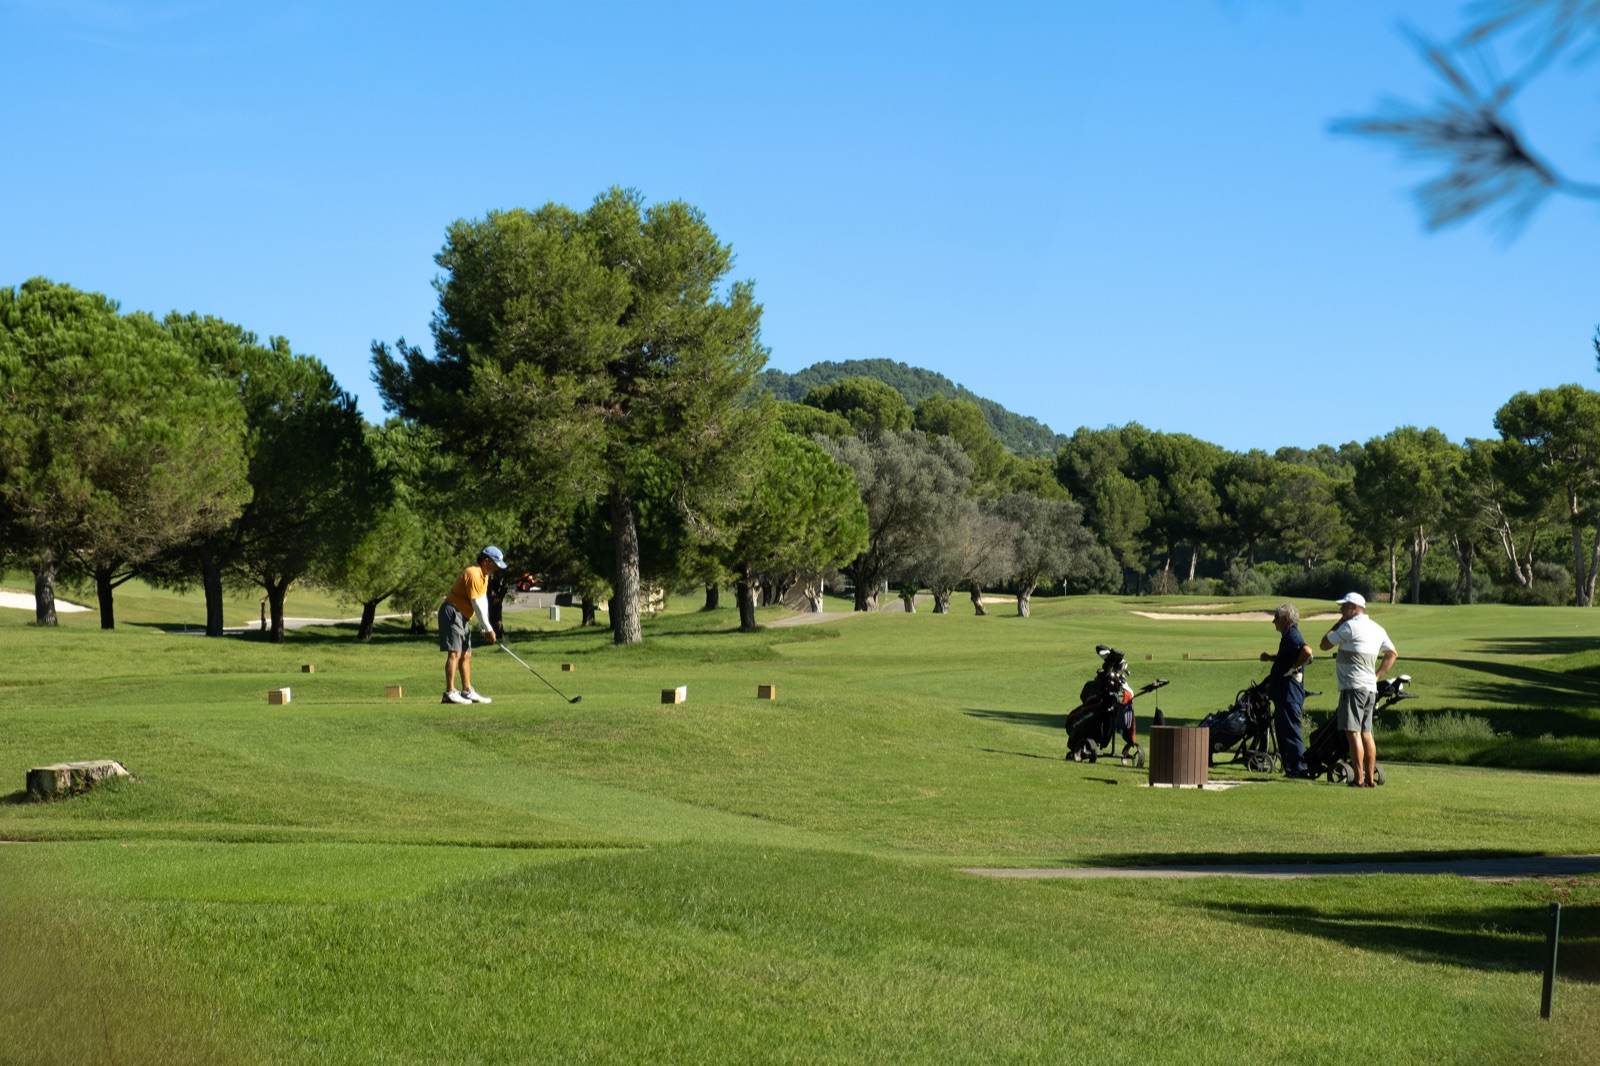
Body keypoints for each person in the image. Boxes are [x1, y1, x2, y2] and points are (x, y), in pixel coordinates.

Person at [1318, 592, 1398, 788]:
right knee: (1366, 733)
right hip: (1370, 688)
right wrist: (1376, 676)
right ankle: (1370, 779)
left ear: (1354, 608)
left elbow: (1324, 645)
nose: (1340, 610)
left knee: (1352, 732)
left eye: (1344, 607)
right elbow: (1392, 653)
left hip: (1353, 687)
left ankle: (1359, 779)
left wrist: (1337, 623)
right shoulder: (1377, 628)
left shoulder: (1348, 626)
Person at [439, 546, 508, 705]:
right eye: (495, 564)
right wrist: (489, 629)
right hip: (453, 611)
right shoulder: (473, 573)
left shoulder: (484, 576)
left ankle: (467, 691)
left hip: (463, 615)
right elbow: (476, 604)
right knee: (455, 653)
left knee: (466, 654)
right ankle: (449, 692)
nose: (497, 567)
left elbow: (483, 601)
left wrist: (486, 627)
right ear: (486, 561)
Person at [1259, 603, 1313, 777]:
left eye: (1277, 619)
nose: (1274, 622)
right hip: (1283, 694)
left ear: (1286, 620)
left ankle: (1299, 768)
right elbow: (1286, 657)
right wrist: (1270, 658)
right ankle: (1291, 768)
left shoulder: (1292, 635)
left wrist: (1295, 668)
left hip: (1289, 693)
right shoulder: (1287, 636)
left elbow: (1307, 651)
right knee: (1283, 730)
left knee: (1291, 731)